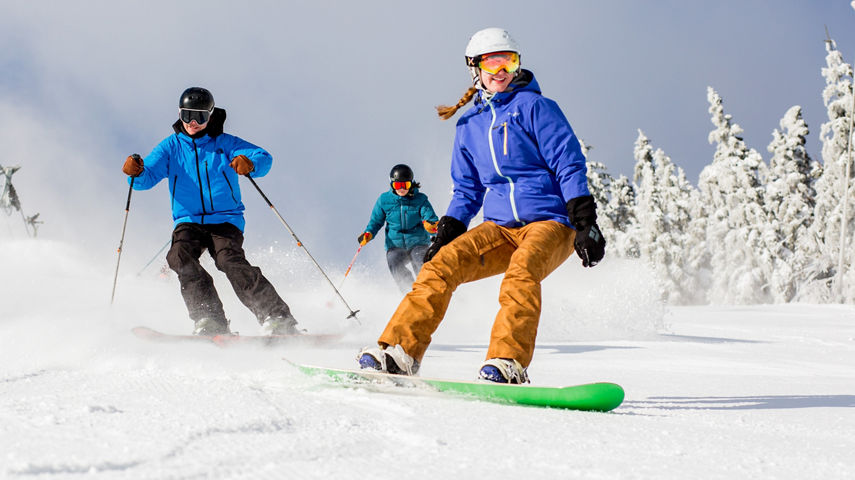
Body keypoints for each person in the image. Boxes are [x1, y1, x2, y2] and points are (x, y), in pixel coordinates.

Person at [357, 28, 606, 383]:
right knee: (440, 266)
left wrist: (584, 221)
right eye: (492, 62)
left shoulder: (537, 108)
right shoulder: (469, 124)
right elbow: (467, 190)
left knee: (521, 274)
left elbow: (568, 164)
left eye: (509, 61)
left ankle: (508, 363)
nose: (501, 70)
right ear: (475, 68)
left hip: (550, 222)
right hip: (500, 228)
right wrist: (449, 230)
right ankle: (400, 353)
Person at [122, 87, 300, 336]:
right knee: (179, 256)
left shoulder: (224, 143)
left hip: (226, 219)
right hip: (189, 220)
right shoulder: (170, 147)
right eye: (187, 116)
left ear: (210, 115)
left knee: (229, 260)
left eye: (200, 117)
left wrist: (250, 164)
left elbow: (263, 157)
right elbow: (146, 177)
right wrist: (136, 172)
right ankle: (210, 319)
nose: (193, 123)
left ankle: (277, 317)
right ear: (179, 114)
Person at [357, 164, 439, 293]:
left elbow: (429, 216)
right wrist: (369, 233)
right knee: (393, 261)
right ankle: (408, 290)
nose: (401, 189)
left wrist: (431, 225)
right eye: (397, 185)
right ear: (392, 184)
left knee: (420, 261)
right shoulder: (384, 200)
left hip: (418, 243)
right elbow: (376, 221)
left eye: (405, 185)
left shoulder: (420, 199)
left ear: (411, 183)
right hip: (396, 245)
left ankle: (427, 288)